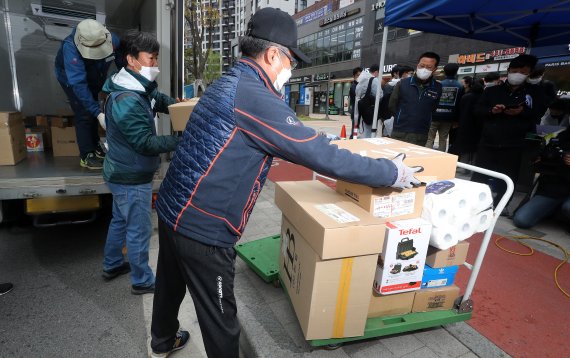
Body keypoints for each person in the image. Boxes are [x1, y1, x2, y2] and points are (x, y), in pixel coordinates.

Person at [150, 8, 422, 358]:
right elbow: (318, 153)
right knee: (220, 319)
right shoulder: (254, 95)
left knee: (170, 285)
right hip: (203, 227)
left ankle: (161, 341)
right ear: (273, 54)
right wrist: (390, 172)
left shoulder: (229, 81)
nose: (290, 68)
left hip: (174, 207)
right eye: (290, 59)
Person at [101, 31, 181, 299]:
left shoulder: (137, 87)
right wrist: (181, 140)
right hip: (130, 177)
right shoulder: (127, 100)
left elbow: (158, 100)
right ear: (131, 60)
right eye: (151, 58)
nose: (155, 64)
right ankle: (142, 280)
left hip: (120, 171)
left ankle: (112, 265)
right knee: (138, 229)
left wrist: (182, 108)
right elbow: (145, 143)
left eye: (156, 57)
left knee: (120, 221)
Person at [471, 54, 547, 208]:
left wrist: (521, 112)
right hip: (488, 141)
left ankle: (501, 206)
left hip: (514, 144)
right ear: (509, 70)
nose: (518, 74)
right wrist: (492, 110)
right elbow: (478, 110)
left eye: (523, 71)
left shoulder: (534, 92)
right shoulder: (492, 91)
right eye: (515, 70)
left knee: (507, 178)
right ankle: (474, 204)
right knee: (480, 176)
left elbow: (538, 113)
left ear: (529, 73)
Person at [55, 19, 123, 169]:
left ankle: (95, 146)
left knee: (93, 105)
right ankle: (86, 154)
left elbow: (121, 62)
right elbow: (78, 84)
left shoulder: (112, 39)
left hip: (96, 77)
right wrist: (98, 114)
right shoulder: (70, 48)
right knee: (84, 112)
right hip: (72, 80)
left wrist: (127, 81)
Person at [513, 129, 570, 230]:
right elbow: (542, 157)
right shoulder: (561, 134)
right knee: (521, 220)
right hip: (554, 189)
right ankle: (553, 211)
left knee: (568, 208)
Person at [388, 52, 443, 146]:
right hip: (400, 130)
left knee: (414, 160)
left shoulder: (437, 87)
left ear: (434, 69)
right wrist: (401, 117)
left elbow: (433, 108)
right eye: (422, 66)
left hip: (421, 133)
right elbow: (392, 106)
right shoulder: (403, 84)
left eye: (429, 67)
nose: (424, 69)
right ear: (417, 65)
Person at [426, 63, 463, 151]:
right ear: (456, 72)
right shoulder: (460, 86)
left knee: (430, 138)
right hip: (449, 117)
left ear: (445, 72)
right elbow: (459, 105)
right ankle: (441, 158)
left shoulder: (439, 85)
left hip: (435, 115)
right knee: (443, 139)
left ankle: (426, 155)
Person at [451, 82, 484, 161]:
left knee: (462, 145)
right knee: (474, 146)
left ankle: (462, 163)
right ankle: (471, 163)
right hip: (476, 126)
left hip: (463, 123)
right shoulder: (482, 98)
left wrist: (456, 121)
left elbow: (458, 110)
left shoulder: (465, 97)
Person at [355, 64, 383, 138]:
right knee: (371, 132)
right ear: (376, 72)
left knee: (364, 131)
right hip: (371, 109)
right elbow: (380, 95)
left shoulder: (361, 79)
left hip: (361, 109)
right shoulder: (374, 80)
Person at [348, 67, 362, 139]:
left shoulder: (360, 85)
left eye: (361, 75)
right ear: (354, 76)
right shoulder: (353, 86)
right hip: (356, 112)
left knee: (358, 131)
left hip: (360, 112)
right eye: (358, 75)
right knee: (354, 131)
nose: (359, 77)